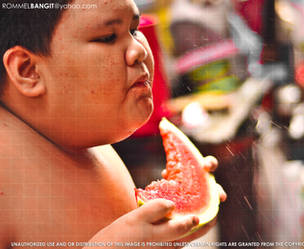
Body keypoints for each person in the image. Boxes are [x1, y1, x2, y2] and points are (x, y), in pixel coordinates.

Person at [0, 0, 226, 247]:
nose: (138, 50)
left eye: (134, 29)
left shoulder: (75, 135)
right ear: (28, 70)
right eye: (108, 37)